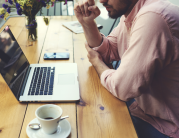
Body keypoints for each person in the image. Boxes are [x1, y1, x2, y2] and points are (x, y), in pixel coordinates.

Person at [74, 0, 179, 137]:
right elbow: (109, 51)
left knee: (91, 128)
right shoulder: (132, 13)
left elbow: (123, 88)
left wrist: (97, 62)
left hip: (167, 126)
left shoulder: (153, 18)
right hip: (144, 108)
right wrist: (87, 23)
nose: (102, 1)